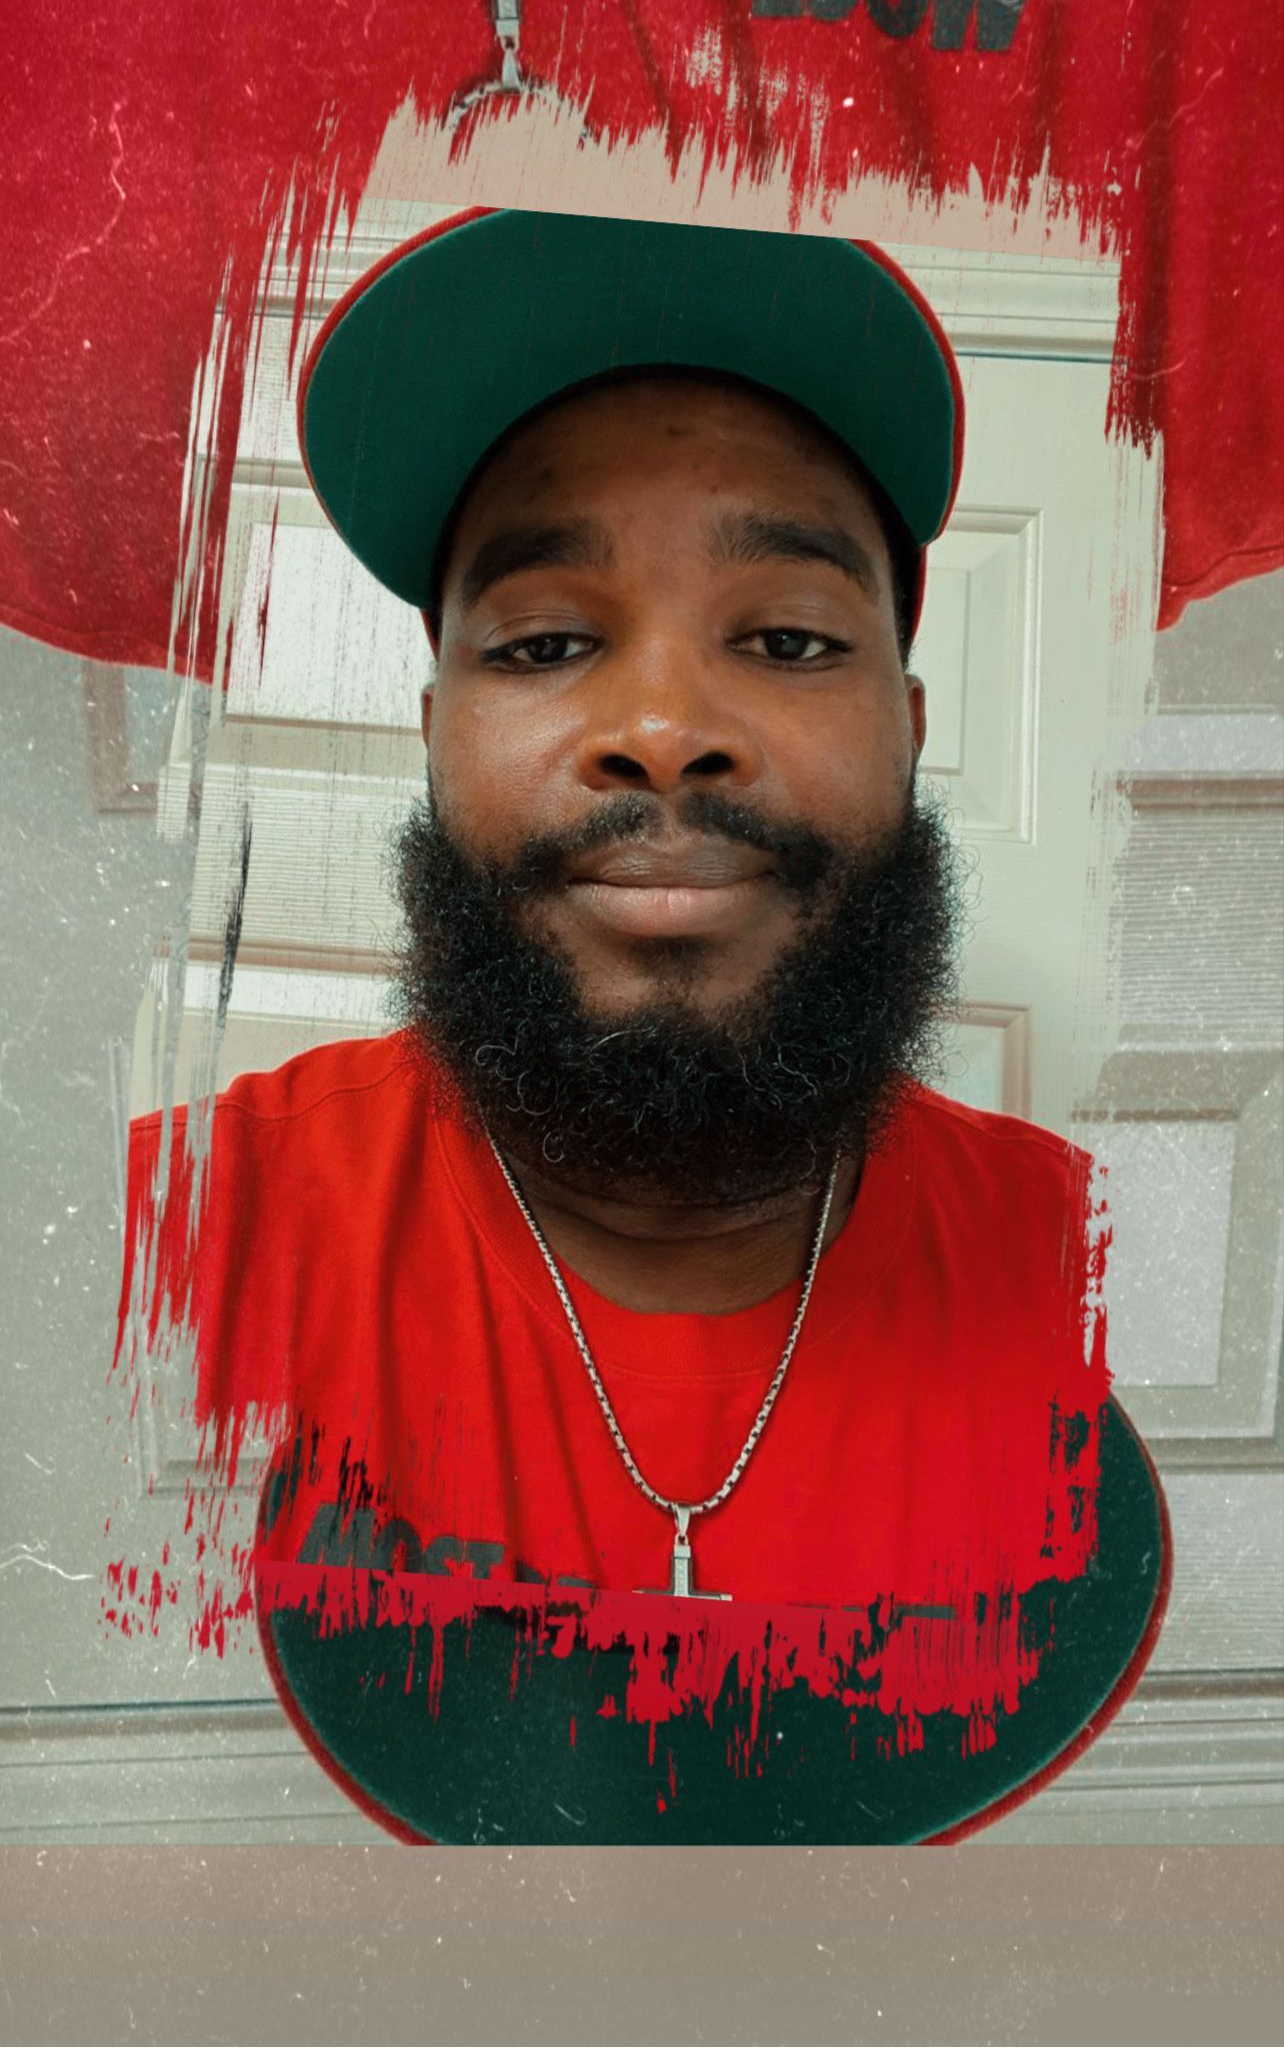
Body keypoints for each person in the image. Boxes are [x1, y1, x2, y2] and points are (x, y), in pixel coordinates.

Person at [120, 207, 1168, 1844]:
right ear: (436, 734)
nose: (667, 732)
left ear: (905, 731)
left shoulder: (1088, 1282)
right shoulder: (160, 1255)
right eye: (546, 643)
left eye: (789, 639)